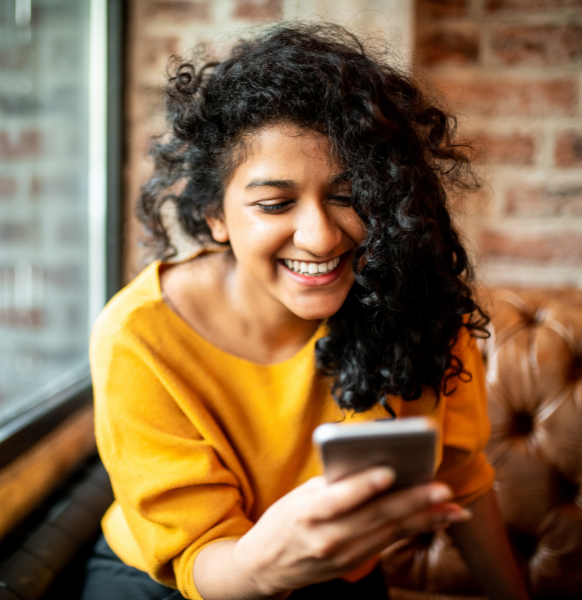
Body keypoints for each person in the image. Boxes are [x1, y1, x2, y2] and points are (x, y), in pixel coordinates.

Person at [82, 23, 529, 600]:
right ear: (215, 215)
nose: (319, 238)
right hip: (172, 582)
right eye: (275, 203)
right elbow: (198, 555)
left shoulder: (415, 302)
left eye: (348, 195)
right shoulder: (139, 336)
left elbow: (463, 480)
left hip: (331, 578)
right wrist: (266, 566)